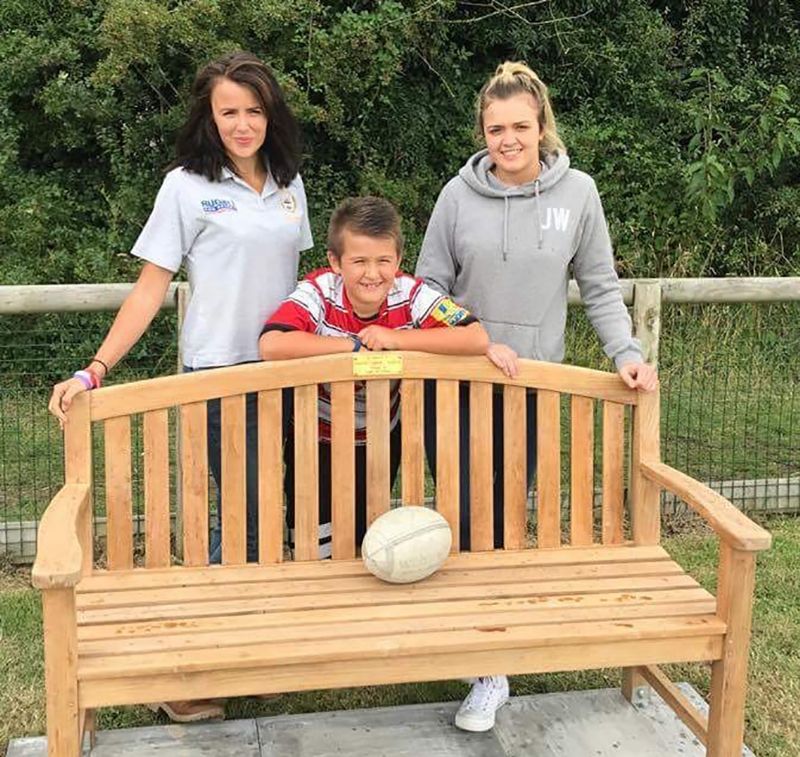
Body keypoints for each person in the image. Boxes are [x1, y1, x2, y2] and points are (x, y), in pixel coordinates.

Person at [47, 51, 313, 722]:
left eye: (255, 110)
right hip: (215, 379)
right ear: (210, 116)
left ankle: (237, 653)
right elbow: (149, 290)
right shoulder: (185, 187)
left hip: (287, 376)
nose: (243, 123)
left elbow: (300, 287)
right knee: (233, 520)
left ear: (271, 114)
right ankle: (187, 672)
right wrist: (95, 367)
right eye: (230, 111)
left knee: (262, 517)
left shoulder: (289, 182)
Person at [415, 61, 658, 733]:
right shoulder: (455, 196)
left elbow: (602, 288)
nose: (508, 139)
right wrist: (469, 337)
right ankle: (479, 650)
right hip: (457, 388)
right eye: (496, 128)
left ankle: (492, 663)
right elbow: (426, 289)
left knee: (504, 519)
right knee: (463, 517)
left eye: (520, 126)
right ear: (482, 131)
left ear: (541, 126)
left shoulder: (578, 193)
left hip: (533, 389)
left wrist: (628, 355)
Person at [260, 196, 489, 553]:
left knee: (372, 539)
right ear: (335, 262)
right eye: (359, 261)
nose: (372, 273)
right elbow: (272, 343)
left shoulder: (410, 292)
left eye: (384, 261)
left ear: (398, 260)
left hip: (382, 436)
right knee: (316, 542)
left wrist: (395, 338)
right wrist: (350, 347)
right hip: (318, 438)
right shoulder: (318, 291)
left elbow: (475, 336)